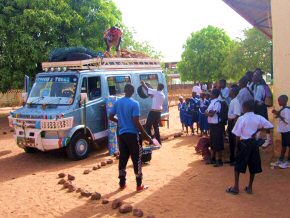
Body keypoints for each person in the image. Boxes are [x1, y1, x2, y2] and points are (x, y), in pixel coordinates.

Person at [109, 84, 152, 192]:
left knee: (123, 158)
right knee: (137, 159)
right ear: (133, 92)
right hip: (133, 135)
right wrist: (146, 135)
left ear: (124, 91)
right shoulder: (135, 103)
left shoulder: (117, 102)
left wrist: (120, 122)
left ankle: (122, 183)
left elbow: (110, 116)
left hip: (122, 135)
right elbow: (136, 122)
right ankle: (139, 185)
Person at [226, 100, 274, 195]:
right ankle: (250, 187)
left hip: (244, 143)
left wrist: (236, 148)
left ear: (245, 108)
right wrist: (257, 130)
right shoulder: (258, 117)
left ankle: (236, 187)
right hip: (254, 144)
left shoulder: (242, 118)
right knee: (253, 165)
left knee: (238, 165)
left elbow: (237, 135)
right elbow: (270, 126)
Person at [252, 70, 272, 148]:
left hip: (260, 107)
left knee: (264, 122)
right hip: (260, 106)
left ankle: (268, 139)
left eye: (254, 76)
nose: (253, 78)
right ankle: (258, 137)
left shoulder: (260, 86)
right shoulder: (257, 85)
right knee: (259, 122)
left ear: (259, 77)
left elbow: (257, 99)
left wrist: (252, 107)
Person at [205, 89, 224, 167]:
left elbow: (211, 114)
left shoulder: (217, 103)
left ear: (214, 94)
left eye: (211, 93)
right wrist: (207, 113)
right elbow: (208, 112)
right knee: (212, 142)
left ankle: (219, 160)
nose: (210, 94)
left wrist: (207, 113)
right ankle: (213, 158)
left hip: (217, 125)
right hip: (212, 125)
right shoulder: (212, 102)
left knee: (218, 142)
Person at [271, 95, 290, 168]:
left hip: (287, 130)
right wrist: (277, 113)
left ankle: (288, 161)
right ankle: (281, 160)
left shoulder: (287, 110)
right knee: (284, 145)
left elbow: (287, 121)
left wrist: (278, 114)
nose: (278, 102)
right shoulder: (283, 109)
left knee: (286, 146)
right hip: (284, 130)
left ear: (284, 101)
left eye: (279, 100)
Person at [226, 87, 241, 165]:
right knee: (231, 142)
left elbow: (237, 115)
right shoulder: (232, 101)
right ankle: (232, 159)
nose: (229, 92)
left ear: (234, 93)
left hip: (233, 123)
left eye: (230, 91)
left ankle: (235, 159)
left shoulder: (236, 102)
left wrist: (235, 126)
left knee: (234, 142)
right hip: (231, 122)